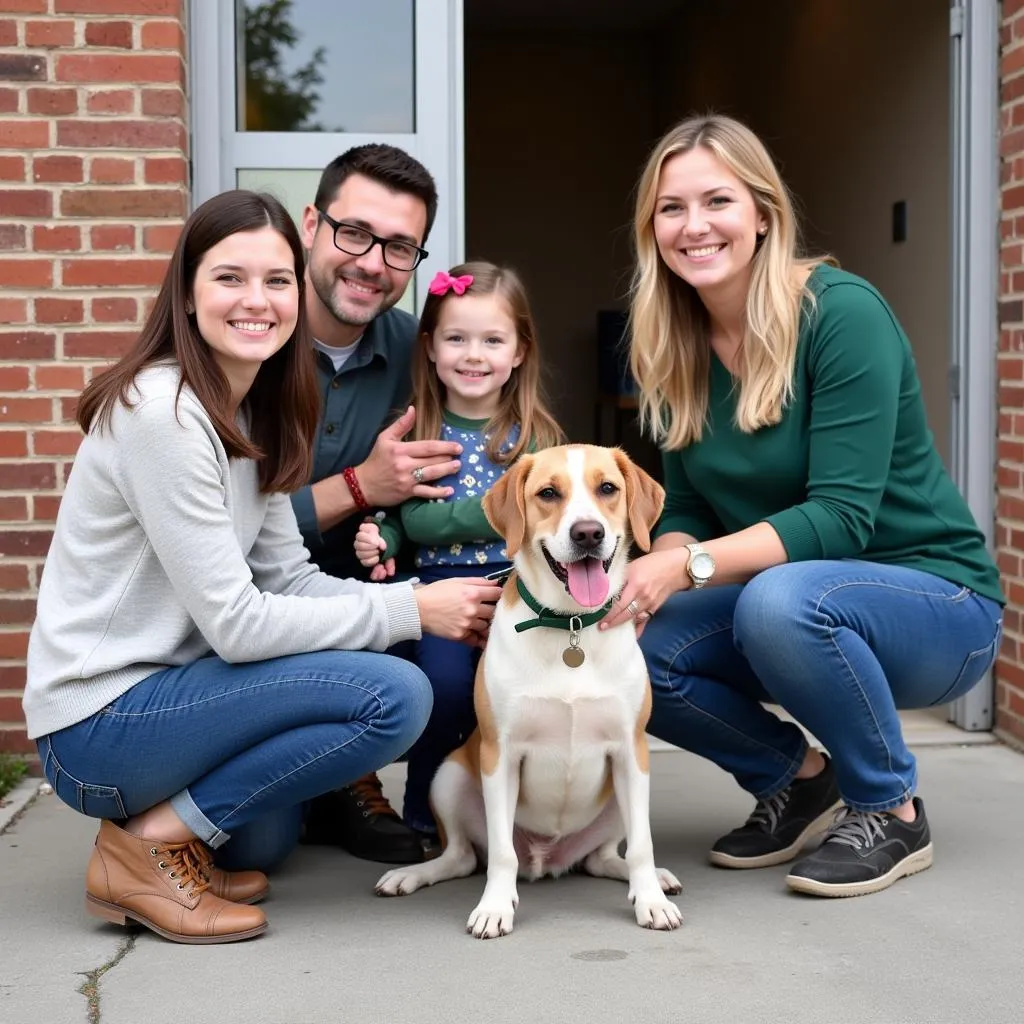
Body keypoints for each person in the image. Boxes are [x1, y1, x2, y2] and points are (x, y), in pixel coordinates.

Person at [22, 190, 502, 945]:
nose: (258, 301)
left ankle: (160, 832)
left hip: (172, 698)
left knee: (263, 842)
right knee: (396, 694)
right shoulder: (167, 414)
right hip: (99, 724)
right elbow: (239, 625)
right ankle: (142, 849)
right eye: (230, 279)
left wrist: (419, 596)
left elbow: (290, 580)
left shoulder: (256, 413)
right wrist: (413, 611)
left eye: (277, 281)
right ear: (187, 292)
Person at [600, 114, 1004, 898]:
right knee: (632, 643)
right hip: (793, 602)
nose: (695, 226)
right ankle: (798, 778)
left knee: (778, 601)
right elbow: (685, 504)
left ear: (762, 212)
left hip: (935, 601)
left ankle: (892, 806)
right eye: (671, 208)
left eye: (716, 200)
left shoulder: (840, 314)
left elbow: (842, 520)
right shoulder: (672, 342)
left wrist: (685, 565)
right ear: (651, 228)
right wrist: (654, 573)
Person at [292, 143, 466, 864]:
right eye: (354, 233)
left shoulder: (421, 353)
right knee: (254, 846)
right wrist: (364, 486)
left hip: (372, 590)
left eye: (399, 247)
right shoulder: (246, 339)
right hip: (239, 606)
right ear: (311, 225)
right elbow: (222, 535)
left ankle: (353, 779)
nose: (372, 262)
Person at [354, 262, 563, 838]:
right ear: (430, 347)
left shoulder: (535, 436)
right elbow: (408, 516)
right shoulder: (419, 429)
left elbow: (562, 521)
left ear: (519, 351)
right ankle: (428, 817)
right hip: (439, 594)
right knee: (446, 694)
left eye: (493, 340)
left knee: (522, 701)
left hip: (522, 591)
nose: (474, 354)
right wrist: (384, 538)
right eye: (457, 338)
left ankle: (526, 819)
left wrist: (438, 519)